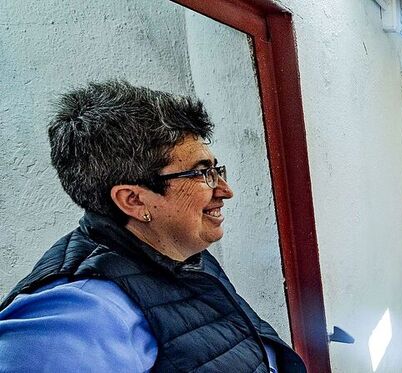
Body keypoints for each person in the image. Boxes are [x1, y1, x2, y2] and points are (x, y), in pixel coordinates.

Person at [0, 81, 305, 372]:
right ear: (133, 200)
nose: (225, 190)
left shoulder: (179, 253)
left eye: (215, 169)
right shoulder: (78, 314)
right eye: (201, 173)